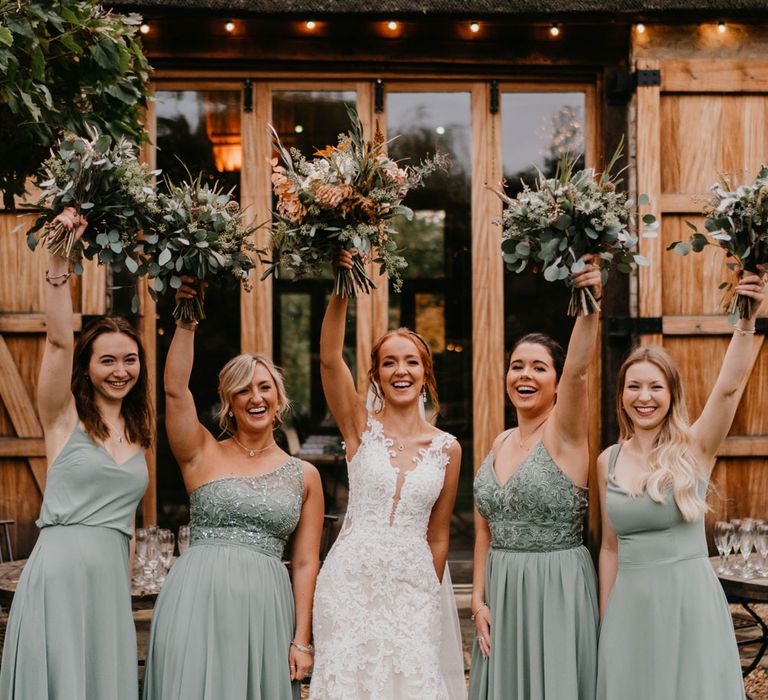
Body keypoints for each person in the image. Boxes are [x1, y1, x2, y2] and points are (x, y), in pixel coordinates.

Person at [143, 279, 324, 700]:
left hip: (265, 610)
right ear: (229, 400)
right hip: (195, 599)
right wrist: (186, 318)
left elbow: (304, 564)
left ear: (279, 400)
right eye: (243, 389)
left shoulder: (305, 475)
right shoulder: (200, 452)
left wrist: (302, 638)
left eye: (264, 387)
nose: (255, 397)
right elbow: (174, 388)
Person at [0, 208, 151, 699]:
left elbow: (127, 524)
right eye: (107, 360)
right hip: (60, 573)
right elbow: (59, 340)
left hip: (110, 582)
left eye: (129, 360)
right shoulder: (62, 418)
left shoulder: (137, 430)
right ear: (87, 368)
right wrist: (60, 265)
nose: (120, 370)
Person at [596, 273, 764, 700]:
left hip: (689, 603)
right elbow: (610, 547)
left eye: (656, 387)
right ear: (621, 396)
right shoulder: (607, 462)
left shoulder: (696, 448)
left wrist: (746, 323)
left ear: (671, 395)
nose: (644, 397)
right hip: (629, 608)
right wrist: (605, 618)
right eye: (634, 386)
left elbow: (728, 391)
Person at [309, 249, 465, 699]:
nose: (401, 370)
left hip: (413, 591)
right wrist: (342, 285)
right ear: (376, 373)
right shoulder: (360, 428)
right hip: (349, 583)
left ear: (425, 373)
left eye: (411, 362)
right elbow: (327, 359)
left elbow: (438, 537)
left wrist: (424, 592)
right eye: (390, 362)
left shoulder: (446, 449)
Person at [469, 258, 602, 700]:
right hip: (502, 591)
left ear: (556, 381)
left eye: (538, 367)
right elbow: (485, 530)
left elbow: (580, 368)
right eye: (516, 366)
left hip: (556, 588)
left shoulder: (564, 433)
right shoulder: (498, 441)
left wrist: (590, 306)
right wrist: (478, 599)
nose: (524, 375)